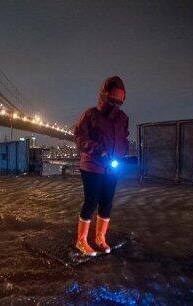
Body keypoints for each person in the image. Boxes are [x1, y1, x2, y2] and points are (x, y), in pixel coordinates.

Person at [73, 76, 129, 256]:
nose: (116, 103)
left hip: (112, 168)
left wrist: (123, 152)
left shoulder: (123, 118)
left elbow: (124, 138)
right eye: (112, 98)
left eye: (119, 99)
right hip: (92, 166)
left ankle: (100, 238)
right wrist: (98, 150)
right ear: (105, 95)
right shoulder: (90, 115)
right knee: (91, 201)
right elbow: (79, 137)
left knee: (107, 203)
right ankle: (81, 241)